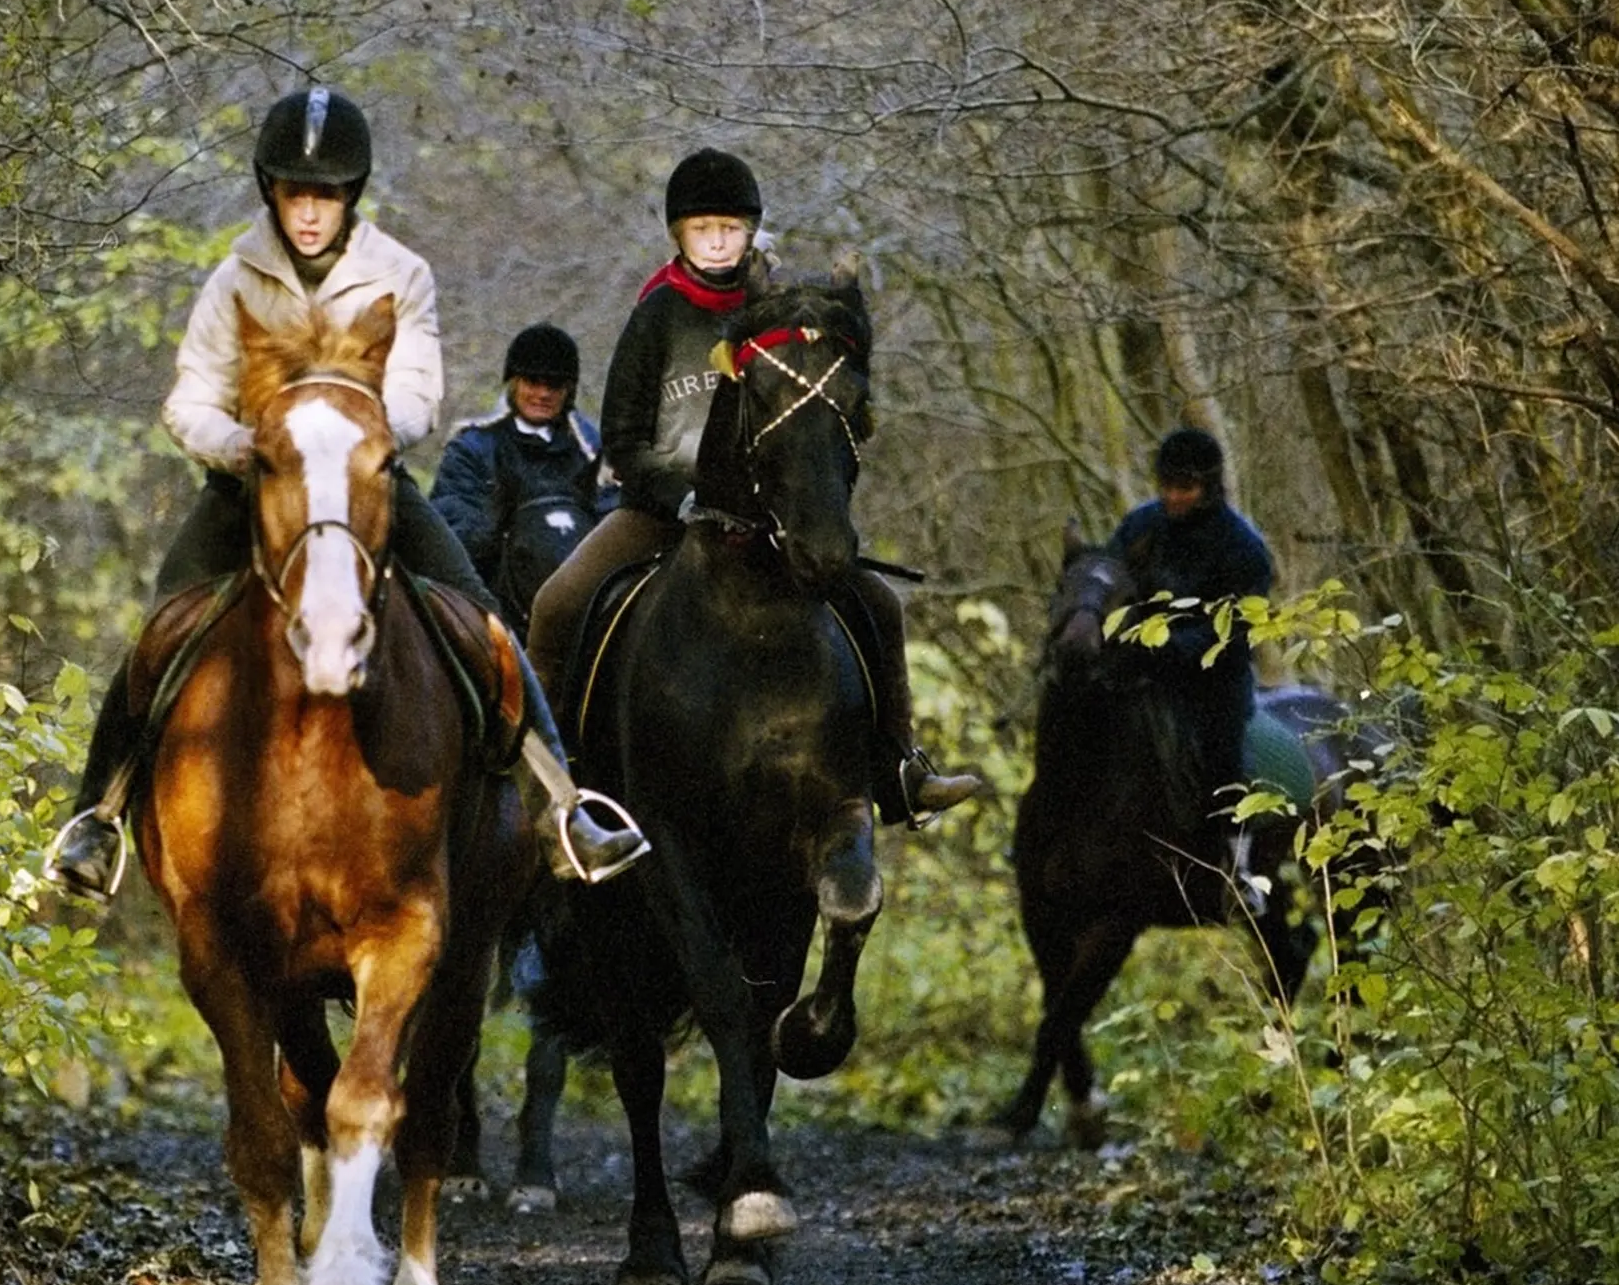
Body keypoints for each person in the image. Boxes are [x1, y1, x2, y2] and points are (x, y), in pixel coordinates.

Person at [48, 86, 647, 897]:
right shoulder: (234, 279)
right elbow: (188, 398)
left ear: (349, 197)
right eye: (297, 195)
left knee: (485, 625)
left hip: (365, 488)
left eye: (325, 197)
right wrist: (245, 447)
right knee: (160, 628)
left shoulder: (400, 274)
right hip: (253, 491)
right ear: (273, 193)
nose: (309, 214)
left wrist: (352, 438)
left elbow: (417, 396)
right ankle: (99, 818)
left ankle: (564, 807)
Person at [523, 147, 978, 826]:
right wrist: (677, 497)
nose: (716, 240)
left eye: (730, 228)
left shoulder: (780, 310)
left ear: (750, 232)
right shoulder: (657, 315)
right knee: (557, 602)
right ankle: (549, 788)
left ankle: (900, 767)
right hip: (664, 509)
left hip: (773, 516)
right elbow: (622, 438)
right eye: (702, 228)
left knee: (880, 604)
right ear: (679, 234)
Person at [1106, 426, 1276, 887]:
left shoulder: (1243, 547)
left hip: (1212, 679)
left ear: (1208, 488)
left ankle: (1238, 865)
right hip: (1142, 668)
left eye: (1185, 487)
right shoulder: (1140, 528)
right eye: (1167, 486)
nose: (1173, 497)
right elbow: (1111, 581)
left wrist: (1169, 648)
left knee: (1223, 754)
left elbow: (1238, 628)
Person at [429, 322, 617, 635]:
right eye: (532, 381)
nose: (542, 394)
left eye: (554, 385)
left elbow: (611, 525)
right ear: (514, 382)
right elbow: (455, 535)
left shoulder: (593, 451)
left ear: (568, 390)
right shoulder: (472, 447)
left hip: (581, 604)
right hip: (493, 604)